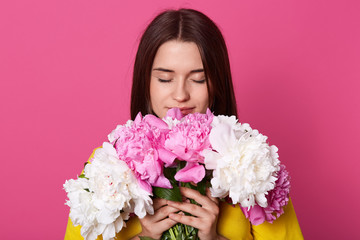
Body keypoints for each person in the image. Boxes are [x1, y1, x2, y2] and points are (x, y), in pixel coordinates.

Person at [65, 8, 303, 240]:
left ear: (217, 84)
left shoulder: (253, 165)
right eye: (165, 79)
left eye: (198, 79)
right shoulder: (108, 166)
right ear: (145, 82)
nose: (180, 95)